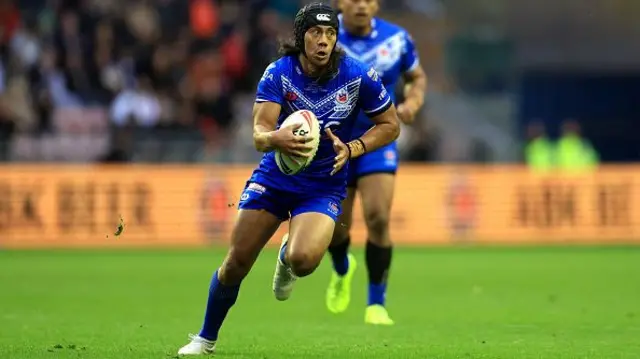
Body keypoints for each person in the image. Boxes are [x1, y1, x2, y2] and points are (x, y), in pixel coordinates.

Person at [177, 3, 401, 355]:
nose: (324, 41)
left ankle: (285, 258)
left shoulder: (357, 75)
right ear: (301, 37)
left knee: (304, 260)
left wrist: (355, 147)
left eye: (330, 34)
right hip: (275, 178)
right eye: (316, 33)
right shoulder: (278, 73)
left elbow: (391, 124)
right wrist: (274, 139)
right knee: (236, 262)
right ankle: (205, 339)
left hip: (323, 185)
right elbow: (258, 133)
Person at [324, 0, 427, 325]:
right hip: (333, 143)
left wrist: (412, 101)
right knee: (336, 228)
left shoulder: (397, 39)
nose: (361, 6)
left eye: (368, 0)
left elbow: (417, 77)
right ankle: (342, 268)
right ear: (341, 3)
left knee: (378, 217)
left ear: (377, 4)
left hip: (376, 141)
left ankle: (376, 304)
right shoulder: (326, 35)